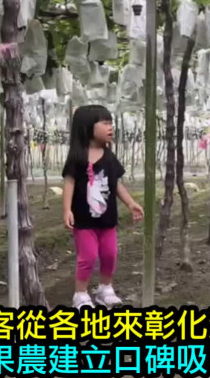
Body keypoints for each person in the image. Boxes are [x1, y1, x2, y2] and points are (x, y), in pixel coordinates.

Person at [63, 105, 144, 309]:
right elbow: (69, 183)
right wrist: (67, 210)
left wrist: (131, 203)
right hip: (84, 221)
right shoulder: (77, 157)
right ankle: (80, 294)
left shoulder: (109, 157)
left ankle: (105, 289)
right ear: (87, 127)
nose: (110, 127)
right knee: (88, 257)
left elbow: (116, 185)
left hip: (107, 220)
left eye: (111, 123)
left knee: (110, 254)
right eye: (105, 123)